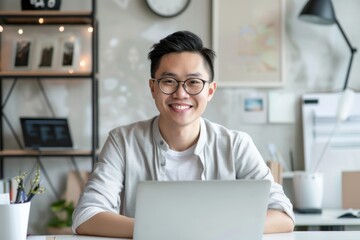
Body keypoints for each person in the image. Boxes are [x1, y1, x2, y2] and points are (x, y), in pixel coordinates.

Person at [72, 30, 295, 238]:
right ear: (152, 88)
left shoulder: (236, 145)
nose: (181, 93)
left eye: (193, 83)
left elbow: (283, 215)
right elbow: (86, 216)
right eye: (169, 81)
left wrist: (206, 229)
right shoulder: (123, 141)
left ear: (210, 91)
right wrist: (166, 231)